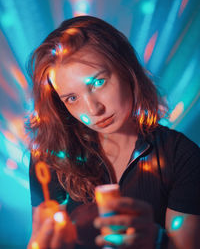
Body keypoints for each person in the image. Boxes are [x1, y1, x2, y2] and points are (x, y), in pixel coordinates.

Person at [27, 15, 200, 249]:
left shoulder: (182, 156)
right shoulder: (52, 158)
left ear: (126, 69)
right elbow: (42, 242)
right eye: (72, 98)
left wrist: (156, 241)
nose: (93, 109)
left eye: (98, 83)